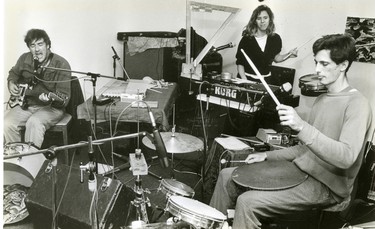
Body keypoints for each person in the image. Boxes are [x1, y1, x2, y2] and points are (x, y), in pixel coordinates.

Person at [210, 34, 373, 229]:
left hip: (327, 187)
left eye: (324, 64)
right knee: (227, 175)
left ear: (343, 65)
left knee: (248, 202)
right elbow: (305, 150)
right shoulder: (321, 100)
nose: (317, 70)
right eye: (316, 63)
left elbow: (346, 158)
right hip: (301, 171)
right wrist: (268, 156)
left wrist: (302, 127)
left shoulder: (358, 104)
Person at [4, 29, 71, 148]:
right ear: (29, 48)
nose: (37, 49)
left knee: (34, 122)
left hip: (51, 108)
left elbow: (64, 98)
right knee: (6, 123)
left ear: (48, 45)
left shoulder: (61, 64)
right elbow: (13, 73)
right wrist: (11, 82)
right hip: (27, 104)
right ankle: (16, 159)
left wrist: (51, 99)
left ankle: (31, 162)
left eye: (40, 44)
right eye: (32, 45)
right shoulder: (24, 58)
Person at [236, 5, 298, 82]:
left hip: (266, 80)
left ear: (270, 20)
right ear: (255, 21)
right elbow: (240, 63)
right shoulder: (247, 39)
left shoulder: (275, 39)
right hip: (247, 79)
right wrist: (244, 80)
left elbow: (276, 58)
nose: (262, 21)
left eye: (265, 18)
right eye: (259, 18)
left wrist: (288, 55)